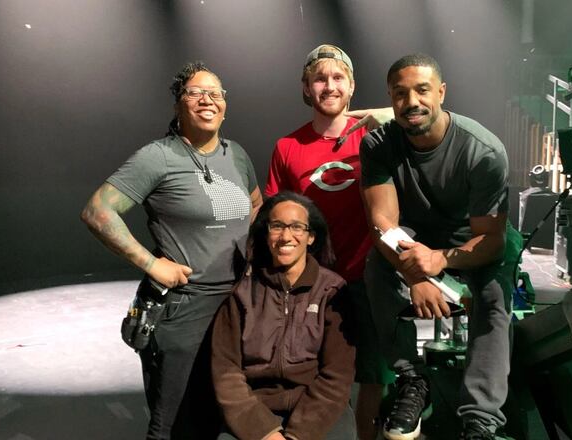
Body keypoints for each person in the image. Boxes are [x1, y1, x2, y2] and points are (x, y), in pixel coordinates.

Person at [81, 61, 262, 439]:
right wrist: (150, 263)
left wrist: (252, 255)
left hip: (236, 303)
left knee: (220, 413)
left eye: (215, 93)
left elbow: (256, 204)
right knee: (174, 423)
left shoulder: (237, 155)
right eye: (195, 92)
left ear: (225, 104)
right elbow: (98, 211)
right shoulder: (158, 156)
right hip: (184, 307)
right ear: (178, 103)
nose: (207, 100)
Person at [360, 53, 522, 440]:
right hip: (414, 238)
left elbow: (491, 237)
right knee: (376, 267)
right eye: (400, 93)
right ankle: (413, 381)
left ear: (441, 93)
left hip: (473, 237)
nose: (411, 101)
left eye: (422, 90)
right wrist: (414, 272)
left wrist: (438, 261)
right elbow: (382, 222)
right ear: (390, 97)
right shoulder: (378, 144)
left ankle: (480, 419)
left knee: (493, 289)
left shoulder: (483, 150)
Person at [265, 44, 394, 440]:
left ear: (352, 86)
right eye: (320, 78)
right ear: (306, 88)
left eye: (338, 77)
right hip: (313, 283)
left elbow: (433, 118)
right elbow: (276, 218)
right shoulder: (289, 147)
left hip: (370, 278)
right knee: (307, 378)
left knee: (374, 377)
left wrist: (383, 118)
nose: (329, 86)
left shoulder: (378, 140)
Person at [211, 191, 357, 440]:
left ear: (311, 236)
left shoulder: (332, 291)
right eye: (277, 226)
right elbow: (226, 373)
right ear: (266, 234)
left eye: (297, 227)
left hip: (317, 408)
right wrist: (264, 433)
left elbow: (337, 376)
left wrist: (298, 435)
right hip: (255, 409)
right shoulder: (243, 293)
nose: (286, 236)